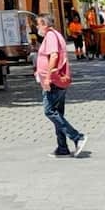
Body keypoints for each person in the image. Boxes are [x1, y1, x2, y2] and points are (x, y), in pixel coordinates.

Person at [35, 14, 86, 158]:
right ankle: (62, 148)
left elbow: (54, 56)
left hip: (54, 81)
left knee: (49, 111)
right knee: (58, 114)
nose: (37, 27)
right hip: (58, 81)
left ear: (45, 24)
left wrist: (48, 77)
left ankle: (77, 137)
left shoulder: (51, 36)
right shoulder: (55, 35)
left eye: (38, 24)